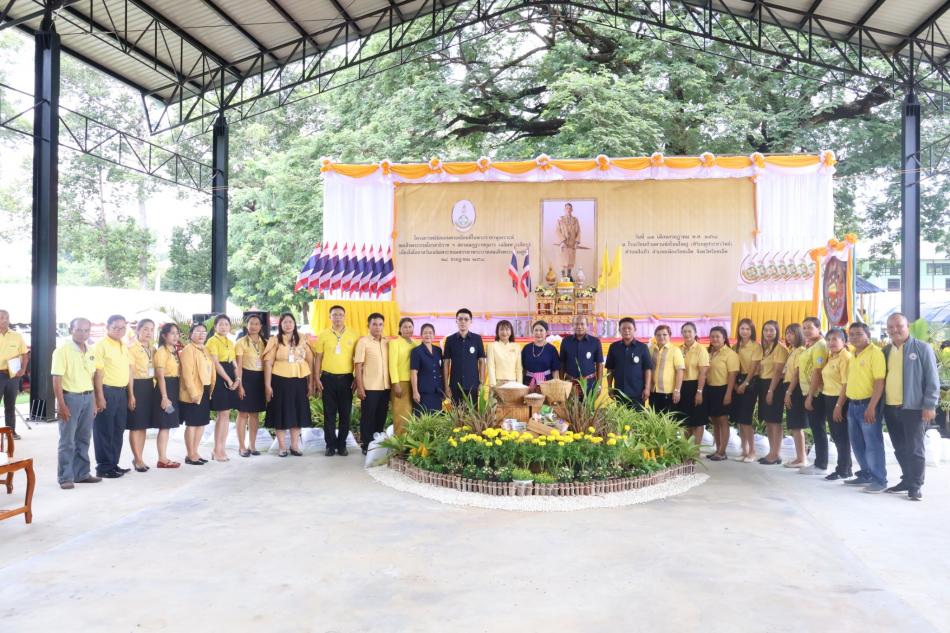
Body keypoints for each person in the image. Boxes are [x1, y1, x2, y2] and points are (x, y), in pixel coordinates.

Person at [882, 313, 940, 501]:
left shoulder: (922, 348)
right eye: (890, 327)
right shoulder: (886, 351)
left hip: (913, 408)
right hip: (891, 407)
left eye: (899, 326)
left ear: (908, 326)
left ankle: (916, 485)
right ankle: (906, 479)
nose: (894, 330)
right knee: (899, 447)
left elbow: (932, 379)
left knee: (915, 448)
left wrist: (930, 404)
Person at [51, 317, 101, 489]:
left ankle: (82, 474)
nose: (83, 333)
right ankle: (65, 477)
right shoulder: (62, 351)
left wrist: (94, 402)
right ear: (71, 330)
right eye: (79, 329)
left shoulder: (91, 350)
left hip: (88, 398)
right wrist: (62, 404)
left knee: (84, 438)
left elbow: (91, 377)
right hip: (70, 398)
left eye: (86, 330)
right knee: (67, 441)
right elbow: (57, 380)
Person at [844, 322, 887, 492]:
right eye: (852, 334)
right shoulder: (853, 354)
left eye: (859, 334)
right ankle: (866, 474)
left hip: (868, 405)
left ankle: (880, 480)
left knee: (873, 444)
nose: (854, 337)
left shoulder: (875, 353)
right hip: (853, 406)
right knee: (857, 443)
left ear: (867, 335)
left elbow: (879, 381)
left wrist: (871, 407)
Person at [265, 313, 313, 457]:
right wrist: (268, 385)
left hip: (299, 380)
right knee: (281, 413)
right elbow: (268, 363)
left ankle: (294, 446)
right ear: (280, 324)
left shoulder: (303, 339)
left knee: (297, 413)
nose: (288, 325)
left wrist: (310, 383)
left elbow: (310, 360)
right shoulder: (275, 340)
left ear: (294, 323)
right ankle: (282, 447)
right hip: (280, 380)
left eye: (290, 322)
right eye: (285, 322)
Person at [313, 305, 358, 456]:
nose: (337, 317)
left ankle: (342, 444)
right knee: (329, 414)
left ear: (344, 317)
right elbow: (318, 358)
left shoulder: (353, 334)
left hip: (346, 380)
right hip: (327, 379)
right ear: (329, 317)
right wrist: (316, 378)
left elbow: (357, 360)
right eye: (334, 315)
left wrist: (357, 378)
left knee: (345, 415)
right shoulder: (323, 334)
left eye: (340, 315)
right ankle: (330, 445)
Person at [807, 327, 852, 481]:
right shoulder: (831, 357)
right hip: (828, 397)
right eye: (829, 339)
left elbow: (846, 384)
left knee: (841, 436)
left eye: (835, 339)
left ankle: (843, 469)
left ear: (844, 341)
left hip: (839, 400)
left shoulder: (845, 357)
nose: (831, 342)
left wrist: (839, 406)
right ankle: (846, 468)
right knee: (836, 434)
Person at [92, 314, 133, 478]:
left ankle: (113, 463)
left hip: (122, 392)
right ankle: (103, 467)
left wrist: (131, 394)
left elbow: (129, 370)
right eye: (115, 327)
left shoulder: (123, 344)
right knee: (104, 430)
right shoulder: (100, 346)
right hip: (106, 391)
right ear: (107, 327)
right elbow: (97, 373)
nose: (119, 330)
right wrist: (99, 396)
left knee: (118, 429)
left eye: (123, 327)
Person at [355, 313, 391, 455]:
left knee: (381, 415)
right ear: (368, 325)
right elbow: (358, 366)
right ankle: (366, 444)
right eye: (374, 324)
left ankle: (376, 442)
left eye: (380, 324)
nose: (377, 327)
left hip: (385, 386)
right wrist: (360, 387)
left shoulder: (387, 342)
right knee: (368, 416)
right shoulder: (363, 342)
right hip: (370, 386)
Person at [179, 323, 215, 465]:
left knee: (201, 423)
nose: (201, 334)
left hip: (205, 390)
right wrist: (193, 393)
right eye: (198, 331)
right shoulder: (188, 350)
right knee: (192, 424)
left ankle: (195, 451)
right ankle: (190, 454)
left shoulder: (205, 349)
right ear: (191, 334)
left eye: (204, 332)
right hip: (194, 392)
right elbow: (187, 374)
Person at [798, 316, 829, 475]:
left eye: (810, 327)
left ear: (818, 328)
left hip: (816, 393)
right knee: (816, 428)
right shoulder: (811, 345)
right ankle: (819, 462)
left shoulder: (820, 345)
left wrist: (810, 396)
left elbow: (818, 371)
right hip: (808, 392)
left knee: (818, 428)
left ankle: (821, 464)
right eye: (804, 328)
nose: (806, 330)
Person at [206, 315, 239, 462]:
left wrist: (237, 378)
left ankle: (221, 448)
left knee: (226, 414)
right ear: (215, 327)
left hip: (231, 377)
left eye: (226, 324)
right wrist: (229, 379)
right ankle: (217, 449)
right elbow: (216, 364)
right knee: (222, 414)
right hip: (220, 377)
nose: (224, 327)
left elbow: (234, 363)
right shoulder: (212, 341)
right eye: (221, 324)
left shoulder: (230, 342)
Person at [756, 320, 789, 465]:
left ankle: (776, 453)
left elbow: (777, 371)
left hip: (774, 386)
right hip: (764, 384)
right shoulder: (765, 348)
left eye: (772, 330)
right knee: (769, 421)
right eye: (766, 330)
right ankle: (772, 452)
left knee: (774, 421)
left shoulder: (780, 349)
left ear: (777, 332)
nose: (768, 333)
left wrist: (770, 390)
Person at [703, 326, 739, 461]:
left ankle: (723, 451)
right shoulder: (709, 353)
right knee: (714, 421)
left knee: (723, 420)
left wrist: (728, 393)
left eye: (717, 336)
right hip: (710, 389)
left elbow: (732, 375)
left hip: (723, 389)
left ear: (724, 338)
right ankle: (717, 449)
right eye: (712, 336)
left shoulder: (730, 354)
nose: (714, 339)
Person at [234, 314, 267, 457]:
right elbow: (238, 366)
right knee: (243, 414)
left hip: (259, 379)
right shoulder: (241, 342)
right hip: (245, 378)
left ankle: (252, 446)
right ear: (246, 325)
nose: (253, 326)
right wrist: (239, 384)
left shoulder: (265, 342)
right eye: (251, 323)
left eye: (256, 324)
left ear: (260, 327)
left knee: (255, 414)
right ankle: (242, 447)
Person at [126, 319, 156, 473]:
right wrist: (131, 395)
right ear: (138, 330)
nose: (148, 332)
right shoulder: (132, 348)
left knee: (143, 425)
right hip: (136, 386)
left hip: (149, 386)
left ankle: (140, 457)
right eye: (145, 329)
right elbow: (130, 374)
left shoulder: (151, 347)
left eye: (151, 329)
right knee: (135, 425)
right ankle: (137, 458)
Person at [731, 318, 763, 462]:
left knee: (746, 419)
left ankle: (752, 452)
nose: (744, 331)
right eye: (742, 328)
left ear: (752, 331)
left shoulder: (756, 346)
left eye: (748, 329)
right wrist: (736, 385)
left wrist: (745, 383)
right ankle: (744, 450)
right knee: (739, 419)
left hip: (751, 381)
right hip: (738, 380)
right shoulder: (735, 346)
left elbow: (754, 367)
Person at [605, 317, 653, 408]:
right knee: (621, 420)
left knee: (638, 419)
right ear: (619, 330)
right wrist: (610, 387)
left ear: (635, 330)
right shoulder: (613, 347)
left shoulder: (642, 348)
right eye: (623, 328)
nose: (626, 331)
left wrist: (647, 388)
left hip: (638, 393)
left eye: (629, 328)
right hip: (620, 392)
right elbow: (610, 369)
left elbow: (647, 369)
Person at [152, 323, 182, 468]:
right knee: (164, 425)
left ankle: (163, 457)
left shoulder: (174, 350)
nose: (176, 336)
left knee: (168, 425)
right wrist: (164, 397)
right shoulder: (161, 352)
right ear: (164, 335)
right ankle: (162, 459)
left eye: (177, 333)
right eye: (172, 333)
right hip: (165, 389)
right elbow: (160, 377)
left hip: (174, 387)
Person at [442, 308, 486, 404]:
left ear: (470, 321)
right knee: (456, 417)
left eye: (466, 319)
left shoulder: (477, 339)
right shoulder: (450, 340)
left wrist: (481, 383)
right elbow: (446, 363)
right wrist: (446, 386)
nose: (463, 322)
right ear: (456, 321)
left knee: (472, 416)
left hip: (473, 385)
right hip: (455, 385)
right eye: (460, 319)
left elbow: (482, 361)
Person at [781, 324, 809, 468]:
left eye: (792, 333)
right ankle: (799, 457)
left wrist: (789, 392)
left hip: (795, 389)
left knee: (797, 425)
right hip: (789, 387)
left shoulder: (801, 351)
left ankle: (802, 458)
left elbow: (797, 374)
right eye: (787, 333)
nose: (788, 336)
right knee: (794, 425)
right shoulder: (792, 350)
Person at [677, 322, 709, 445]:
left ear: (695, 333)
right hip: (682, 387)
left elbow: (703, 373)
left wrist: (699, 391)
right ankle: (687, 449)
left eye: (689, 331)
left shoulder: (701, 349)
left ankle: (696, 450)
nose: (687, 334)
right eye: (684, 331)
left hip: (696, 386)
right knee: (686, 421)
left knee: (697, 421)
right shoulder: (679, 349)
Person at [0, 309, 28, 440]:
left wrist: (23, 369)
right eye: (0, 318)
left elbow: (24, 354)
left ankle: (10, 432)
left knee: (10, 405)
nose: (3, 320)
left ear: (8, 319)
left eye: (5, 317)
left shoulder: (17, 336)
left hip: (12, 376)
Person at [560, 314, 604, 397]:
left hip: (589, 384)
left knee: (588, 409)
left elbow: (599, 364)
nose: (579, 326)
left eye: (582, 324)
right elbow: (562, 363)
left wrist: (599, 385)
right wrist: (562, 382)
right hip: (570, 383)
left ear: (587, 326)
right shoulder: (566, 341)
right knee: (570, 409)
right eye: (576, 324)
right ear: (572, 326)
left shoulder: (595, 342)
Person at [388, 317, 418, 435]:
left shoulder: (416, 343)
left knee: (412, 415)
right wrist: (396, 384)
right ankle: (399, 445)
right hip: (401, 383)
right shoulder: (395, 343)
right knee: (401, 415)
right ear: (399, 329)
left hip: (414, 384)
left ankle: (410, 444)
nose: (407, 329)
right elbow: (392, 365)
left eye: (410, 326)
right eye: (405, 327)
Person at [649, 325, 684, 414]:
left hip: (668, 393)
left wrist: (677, 391)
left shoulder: (675, 350)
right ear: (655, 336)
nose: (661, 337)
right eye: (658, 335)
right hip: (653, 391)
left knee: (667, 423)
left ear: (670, 335)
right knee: (653, 421)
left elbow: (680, 371)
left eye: (664, 334)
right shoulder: (650, 349)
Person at [411, 324, 445, 412]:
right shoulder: (416, 351)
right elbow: (413, 372)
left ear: (434, 335)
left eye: (430, 333)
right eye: (425, 333)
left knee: (438, 418)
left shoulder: (438, 350)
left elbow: (441, 370)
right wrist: (415, 392)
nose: (428, 335)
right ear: (421, 335)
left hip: (438, 391)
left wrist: (444, 389)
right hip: (423, 392)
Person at [521, 320, 560, 389]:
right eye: (536, 330)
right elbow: (522, 368)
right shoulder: (526, 348)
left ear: (546, 332)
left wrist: (555, 386)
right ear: (533, 332)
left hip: (547, 382)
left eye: (541, 330)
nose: (538, 333)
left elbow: (555, 370)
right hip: (528, 382)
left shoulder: (552, 349)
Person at [486, 320, 522, 387]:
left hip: (513, 382)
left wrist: (519, 385)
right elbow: (491, 366)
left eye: (507, 329)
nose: (504, 332)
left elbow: (519, 368)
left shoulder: (517, 347)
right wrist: (493, 384)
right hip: (497, 382)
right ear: (497, 332)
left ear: (511, 332)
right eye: (501, 329)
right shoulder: (491, 346)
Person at [555, 202, 581, 278]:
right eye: (567, 208)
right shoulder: (560, 220)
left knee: (570, 261)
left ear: (572, 209)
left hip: (572, 244)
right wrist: (562, 241)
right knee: (563, 261)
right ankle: (563, 277)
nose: (568, 210)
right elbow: (557, 231)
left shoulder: (575, 220)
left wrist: (576, 242)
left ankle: (569, 276)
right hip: (564, 244)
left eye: (570, 208)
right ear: (564, 209)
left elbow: (578, 231)